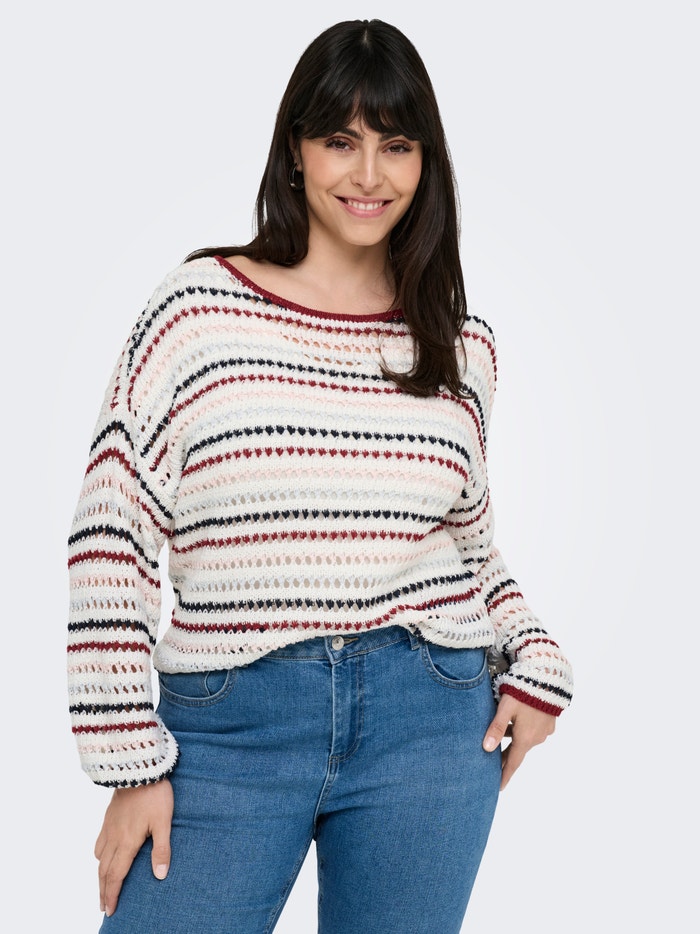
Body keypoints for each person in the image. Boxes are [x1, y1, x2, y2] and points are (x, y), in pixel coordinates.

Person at [67, 18, 573, 934]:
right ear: (295, 151)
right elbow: (112, 535)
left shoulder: (460, 346)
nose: (369, 174)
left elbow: (470, 547)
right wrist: (130, 762)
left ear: (426, 164)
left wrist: (536, 659)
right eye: (341, 140)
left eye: (397, 145)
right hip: (229, 727)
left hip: (428, 722)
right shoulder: (198, 311)